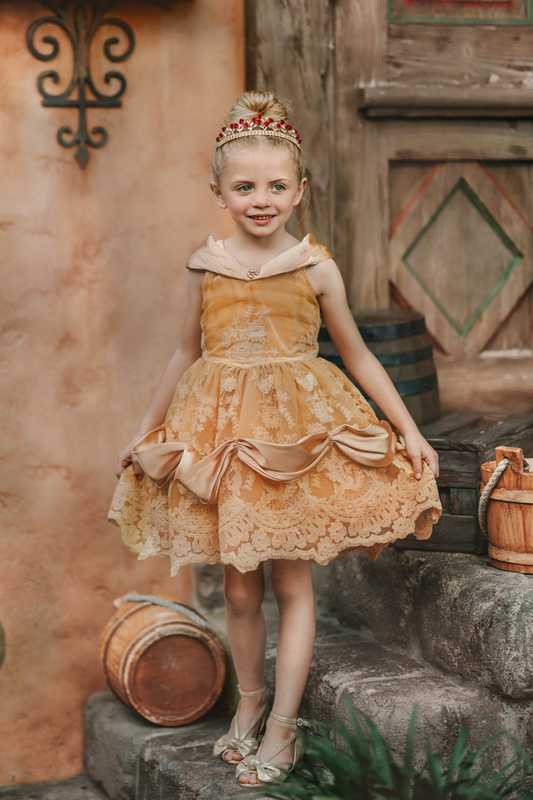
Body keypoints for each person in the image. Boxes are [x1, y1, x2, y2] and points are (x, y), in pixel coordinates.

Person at [109, 90, 441, 787]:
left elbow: (357, 354)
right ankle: (248, 706)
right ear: (219, 192)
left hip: (291, 440)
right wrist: (144, 432)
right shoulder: (204, 266)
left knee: (291, 583)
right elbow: (181, 353)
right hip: (223, 436)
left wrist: (407, 430)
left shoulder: (316, 267)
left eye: (276, 186)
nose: (261, 200)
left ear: (299, 190)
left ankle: (285, 726)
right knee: (235, 591)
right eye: (244, 187)